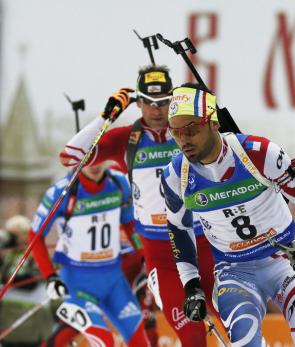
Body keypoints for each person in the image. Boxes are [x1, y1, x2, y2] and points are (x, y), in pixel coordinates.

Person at [161, 84, 295, 346]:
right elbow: (178, 230)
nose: (183, 140)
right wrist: (191, 285)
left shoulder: (258, 153)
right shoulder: (176, 176)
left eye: (191, 129)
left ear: (213, 123)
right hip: (234, 272)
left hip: (283, 262)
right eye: (175, 132)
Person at [60, 65, 216, 346]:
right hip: (161, 256)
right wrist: (106, 117)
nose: (157, 111)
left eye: (164, 103)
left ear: (173, 101)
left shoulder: (189, 132)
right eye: (149, 102)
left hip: (203, 244)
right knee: (191, 334)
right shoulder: (126, 140)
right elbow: (70, 157)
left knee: (236, 321)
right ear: (138, 102)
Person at [29, 163, 150, 346]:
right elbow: (35, 236)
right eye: (88, 160)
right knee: (103, 340)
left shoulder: (119, 183)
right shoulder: (61, 191)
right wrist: (50, 276)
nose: (94, 166)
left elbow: (130, 224)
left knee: (140, 340)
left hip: (114, 282)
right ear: (78, 160)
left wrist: (145, 256)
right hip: (78, 284)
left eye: (99, 158)